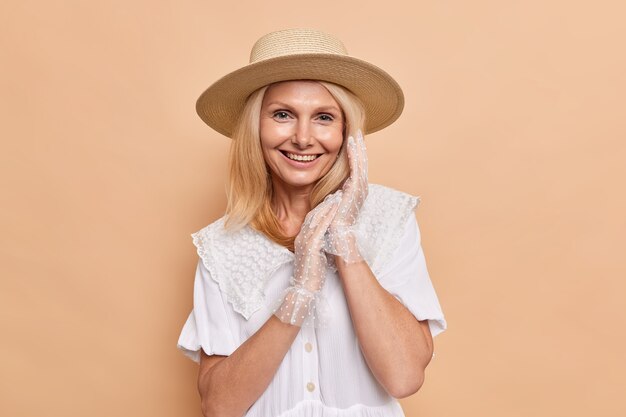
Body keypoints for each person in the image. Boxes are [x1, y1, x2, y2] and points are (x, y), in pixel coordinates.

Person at [177, 28, 447, 417]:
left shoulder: (390, 219)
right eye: (283, 115)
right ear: (256, 127)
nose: (303, 138)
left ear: (345, 133)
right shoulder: (221, 246)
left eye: (323, 117)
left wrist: (346, 243)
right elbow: (219, 406)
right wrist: (299, 292)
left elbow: (404, 377)